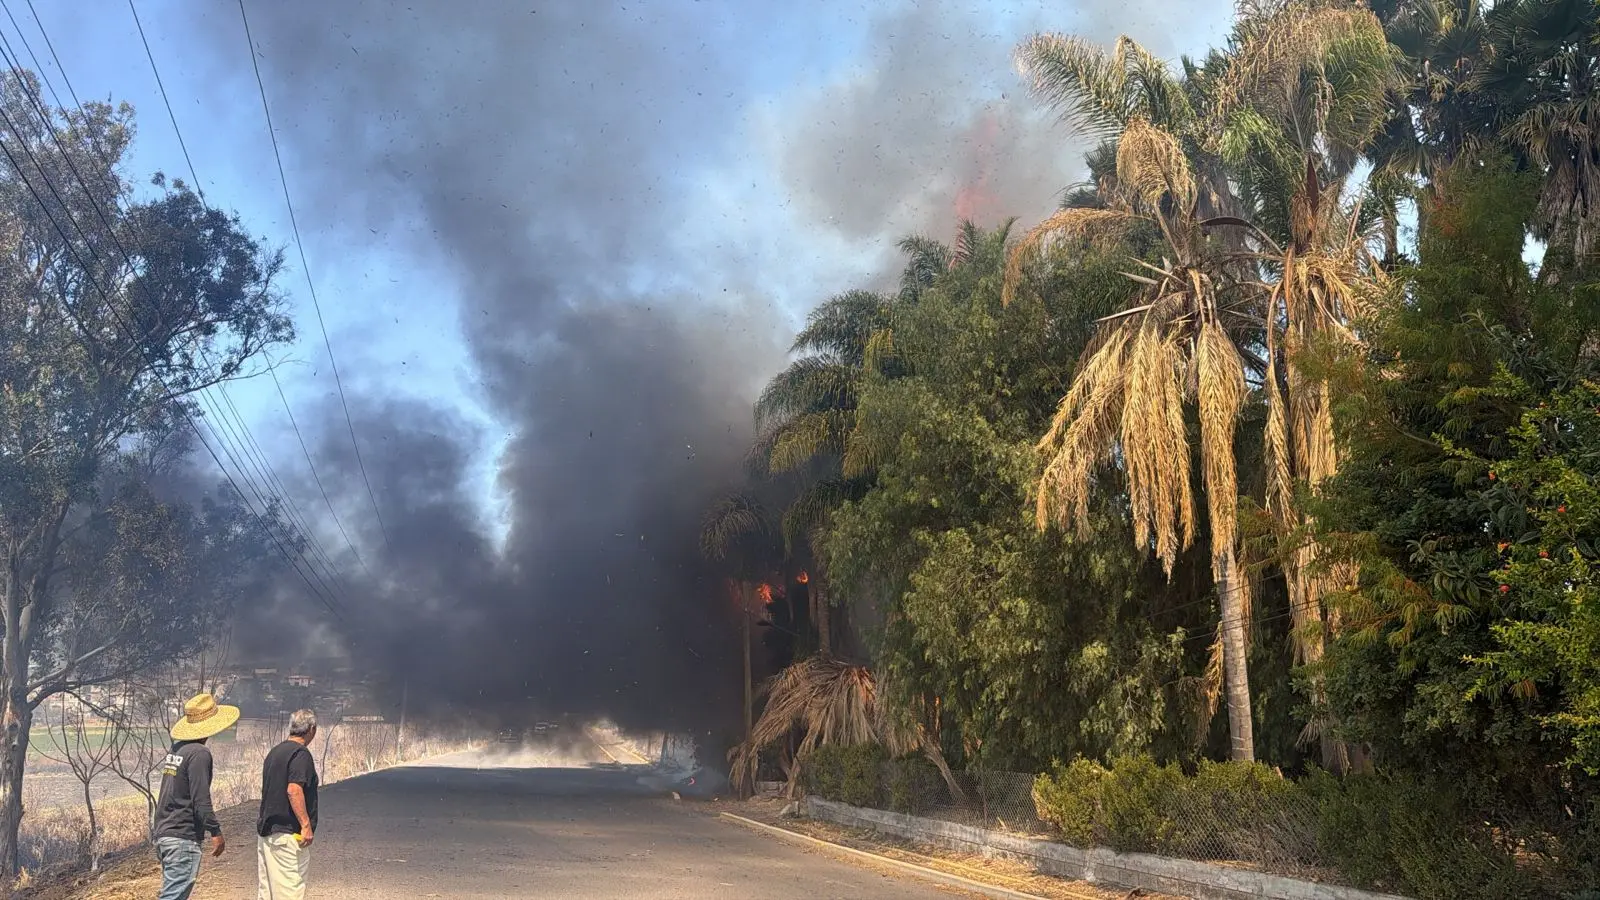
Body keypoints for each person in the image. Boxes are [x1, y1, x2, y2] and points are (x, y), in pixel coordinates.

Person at [152, 693, 239, 900]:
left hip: (165, 832)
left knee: (172, 893)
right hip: (183, 836)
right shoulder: (200, 753)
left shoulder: (178, 749)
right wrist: (215, 831)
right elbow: (200, 798)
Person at [256, 709, 320, 900]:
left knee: (267, 893)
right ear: (312, 729)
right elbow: (293, 790)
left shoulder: (274, 753)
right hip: (288, 835)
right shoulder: (301, 754)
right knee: (289, 891)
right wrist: (306, 825)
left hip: (267, 834)